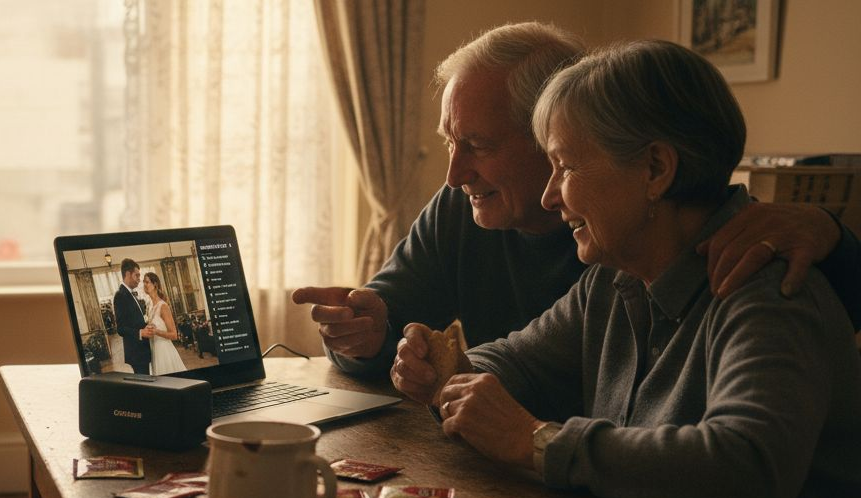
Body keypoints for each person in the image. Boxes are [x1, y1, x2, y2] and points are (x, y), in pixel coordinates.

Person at [393, 39, 861, 498]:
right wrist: (442, 367)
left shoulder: (766, 290)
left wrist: (538, 443)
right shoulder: (617, 280)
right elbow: (514, 360)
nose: (551, 197)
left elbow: (749, 462)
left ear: (655, 169)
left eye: (567, 167)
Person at [292, 22, 861, 375]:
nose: (453, 174)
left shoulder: (652, 246)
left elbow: (741, 457)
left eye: (478, 145)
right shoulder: (474, 217)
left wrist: (833, 236)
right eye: (448, 143)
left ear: (552, 138)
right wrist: (369, 342)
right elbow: (469, 351)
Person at [141, 271, 187, 375]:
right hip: (154, 351)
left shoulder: (163, 306)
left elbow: (174, 335)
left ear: (155, 284)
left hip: (164, 351)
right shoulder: (149, 306)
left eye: (147, 282)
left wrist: (156, 331)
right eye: (143, 282)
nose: (144, 285)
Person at [112, 258, 152, 375]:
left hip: (141, 350)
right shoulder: (120, 296)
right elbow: (121, 329)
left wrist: (147, 325)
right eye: (137, 276)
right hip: (136, 352)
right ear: (128, 274)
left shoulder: (131, 293)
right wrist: (141, 332)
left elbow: (136, 320)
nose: (139, 280)